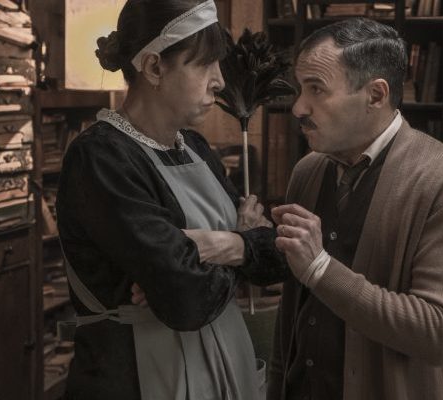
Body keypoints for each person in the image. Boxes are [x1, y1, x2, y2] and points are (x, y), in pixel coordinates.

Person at [55, 1, 286, 399]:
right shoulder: (101, 157)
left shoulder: (194, 146)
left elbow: (276, 257)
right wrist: (244, 242)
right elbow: (186, 298)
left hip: (224, 365)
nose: (219, 81)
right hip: (135, 378)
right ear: (154, 68)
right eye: (205, 64)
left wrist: (218, 248)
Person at [267, 18, 443, 400]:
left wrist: (320, 269)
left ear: (376, 95)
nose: (298, 107)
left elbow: (439, 334)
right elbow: (291, 321)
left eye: (316, 89)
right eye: (301, 89)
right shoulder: (307, 171)